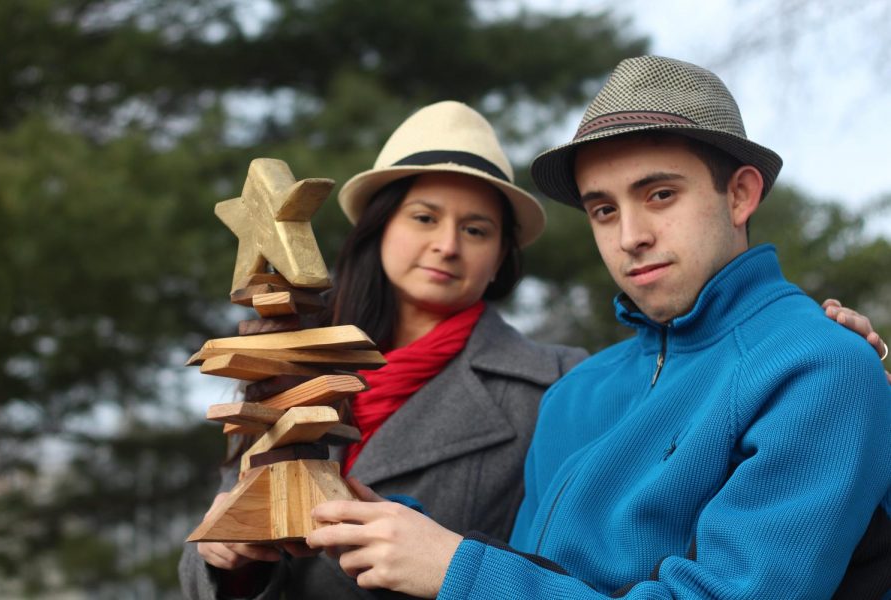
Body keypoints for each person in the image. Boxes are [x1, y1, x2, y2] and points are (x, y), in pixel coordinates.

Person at [306, 56, 891, 599]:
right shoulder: (576, 392)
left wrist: (458, 568)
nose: (629, 235)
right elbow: (537, 573)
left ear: (740, 195)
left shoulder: (819, 364)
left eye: (659, 194)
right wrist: (382, 525)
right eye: (603, 209)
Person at [178, 101, 589, 599]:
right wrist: (228, 563)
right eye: (424, 217)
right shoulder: (288, 353)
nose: (447, 245)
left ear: (501, 257)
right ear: (381, 227)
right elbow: (220, 535)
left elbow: (569, 570)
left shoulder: (560, 384)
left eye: (476, 229)